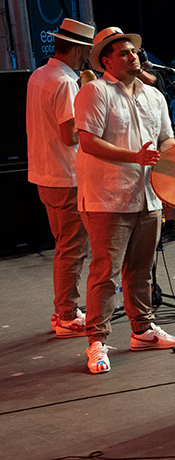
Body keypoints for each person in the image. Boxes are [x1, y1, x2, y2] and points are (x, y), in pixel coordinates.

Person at [75, 27, 175, 374]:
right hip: (106, 198)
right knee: (105, 274)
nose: (133, 56)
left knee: (141, 271)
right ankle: (96, 340)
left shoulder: (153, 96)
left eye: (134, 52)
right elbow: (88, 142)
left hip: (147, 196)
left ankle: (142, 330)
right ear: (106, 61)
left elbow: (165, 141)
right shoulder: (95, 92)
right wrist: (135, 157)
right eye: (124, 53)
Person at [26, 18, 95, 338]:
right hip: (65, 176)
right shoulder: (66, 81)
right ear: (79, 49)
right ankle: (67, 313)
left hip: (44, 172)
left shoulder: (39, 75)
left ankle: (66, 309)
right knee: (73, 247)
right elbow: (71, 135)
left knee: (65, 246)